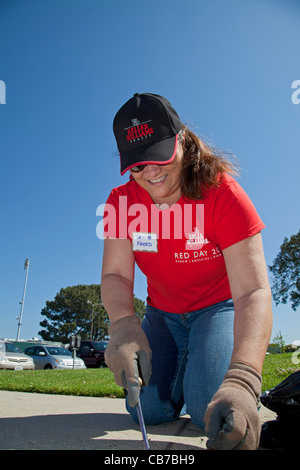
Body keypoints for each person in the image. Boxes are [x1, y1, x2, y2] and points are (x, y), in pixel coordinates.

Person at [101, 92, 273, 450]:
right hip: (162, 314)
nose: (150, 173)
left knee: (209, 411)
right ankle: (176, 377)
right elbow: (116, 275)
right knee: (145, 411)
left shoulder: (223, 193)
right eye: (137, 164)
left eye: (159, 156)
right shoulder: (121, 201)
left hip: (218, 308)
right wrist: (123, 325)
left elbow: (252, 292)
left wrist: (242, 380)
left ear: (180, 139)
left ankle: (215, 379)